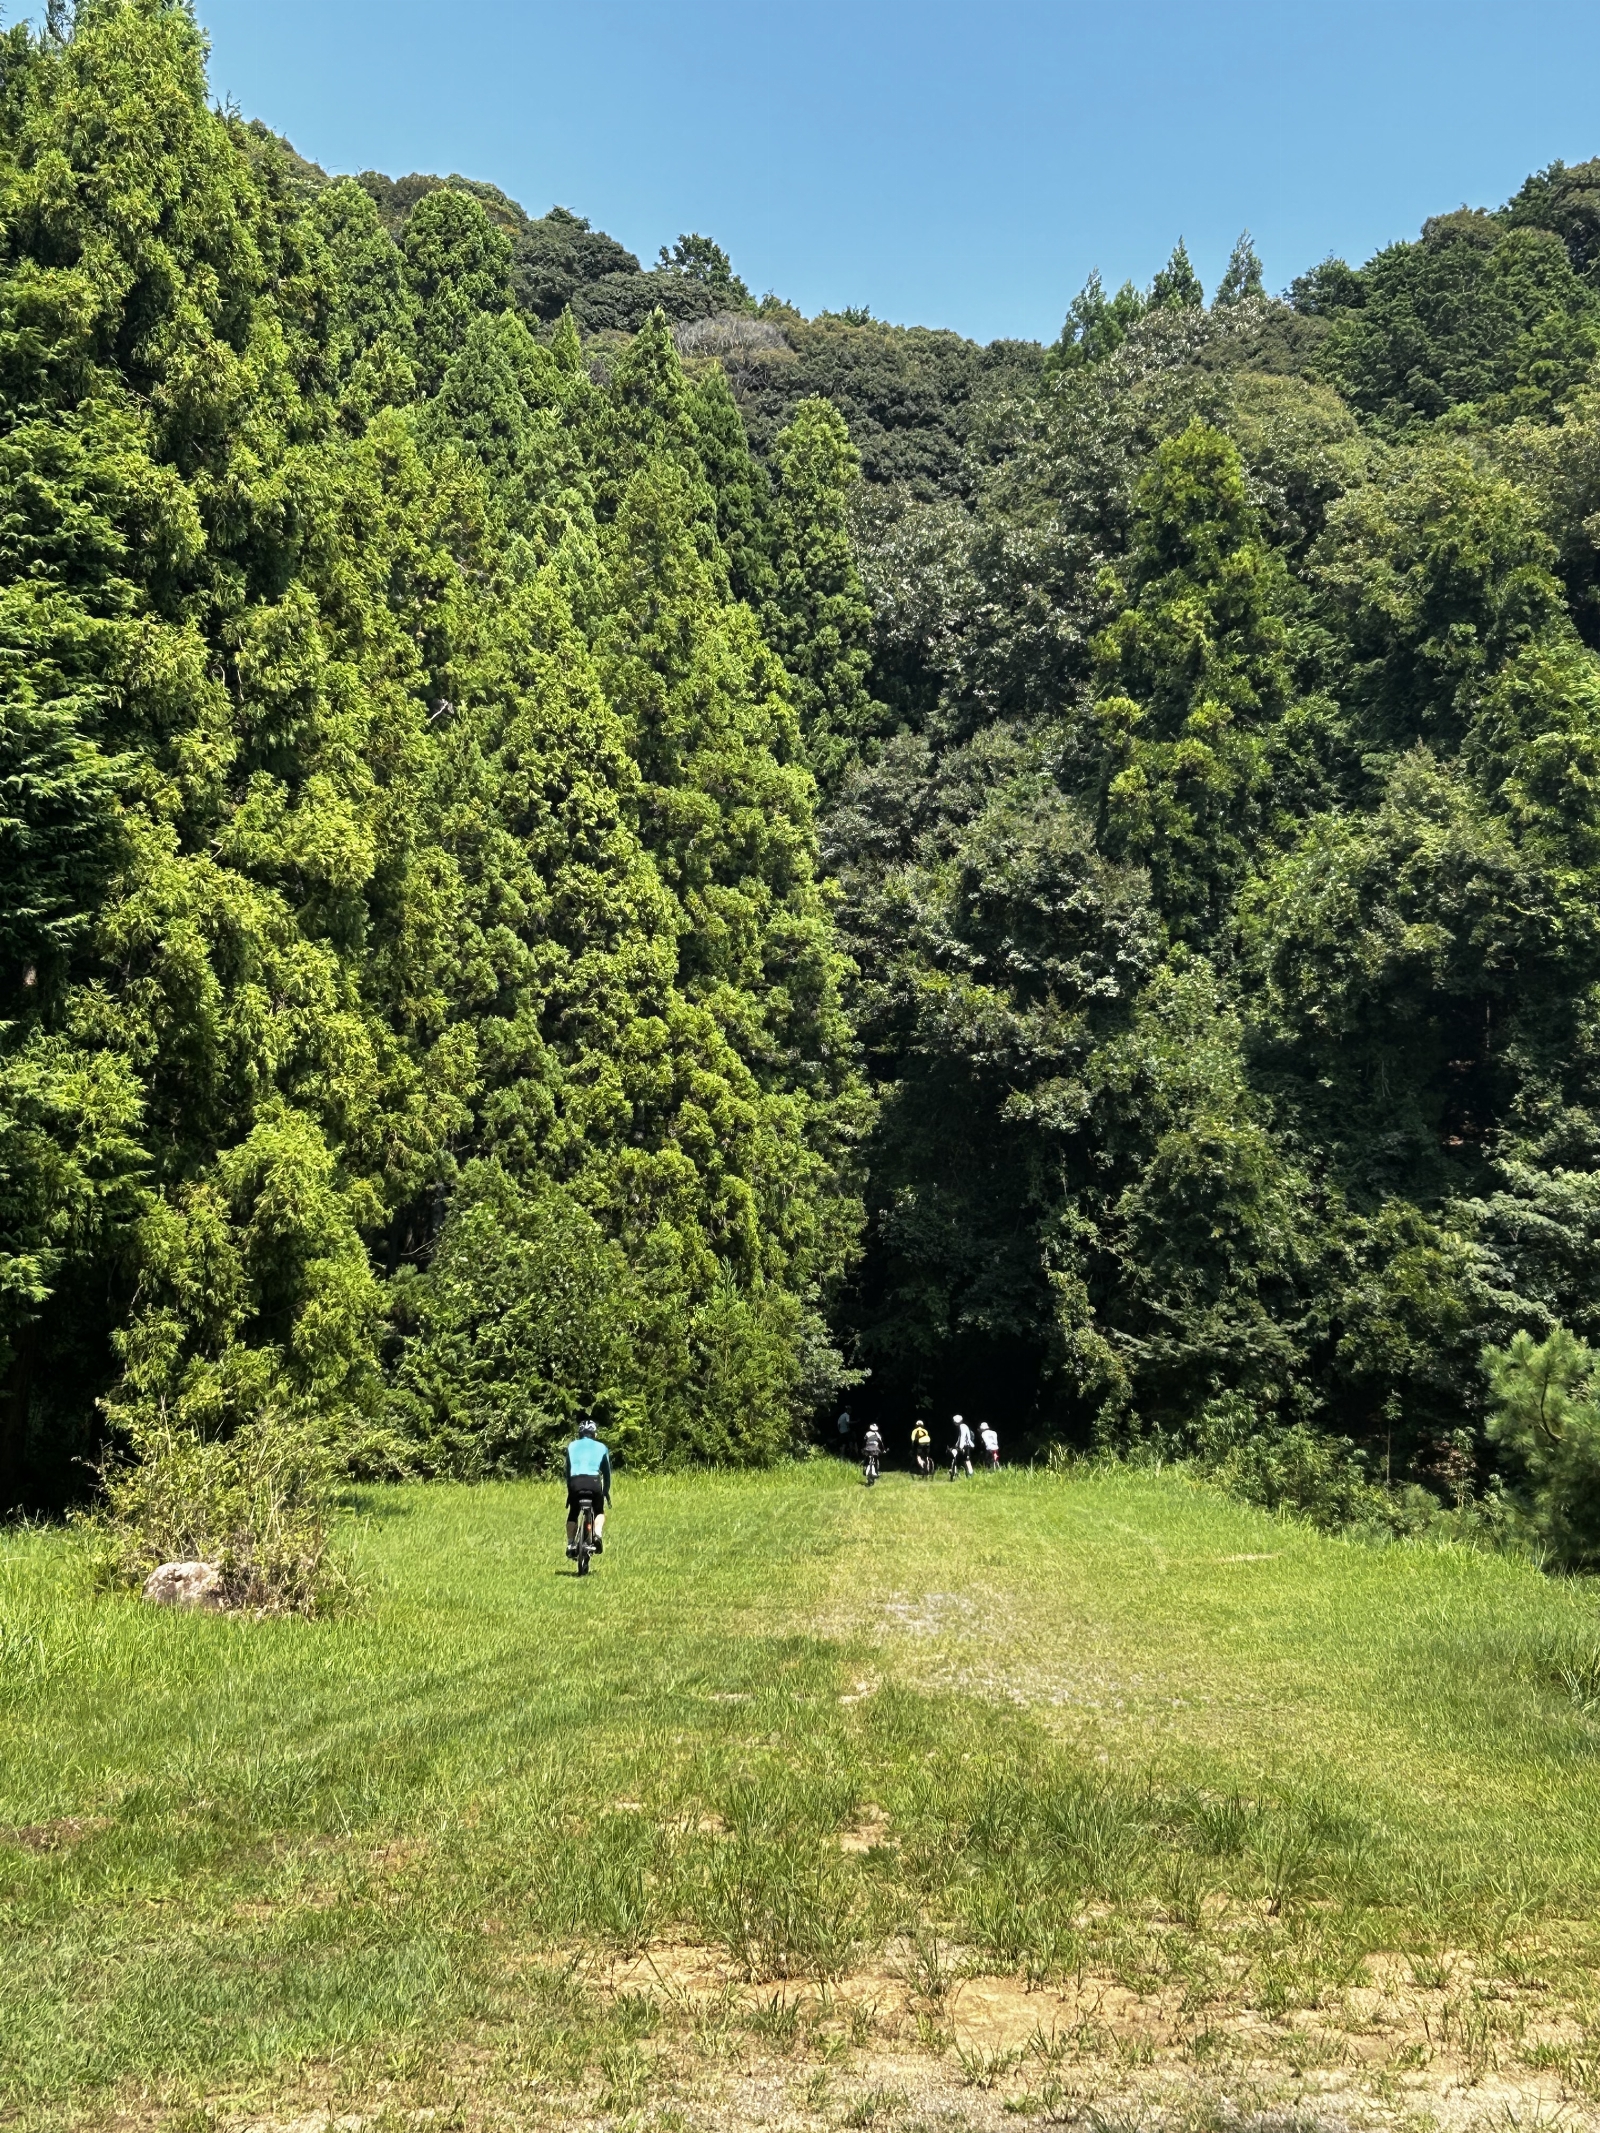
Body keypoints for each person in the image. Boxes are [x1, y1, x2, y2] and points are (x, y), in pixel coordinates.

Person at [564, 1417, 612, 1557]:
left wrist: (570, 1491)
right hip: (593, 1482)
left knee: (573, 1513)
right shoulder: (602, 1447)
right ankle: (597, 1534)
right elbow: (607, 1473)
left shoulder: (571, 1446)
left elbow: (568, 1472)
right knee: (599, 1511)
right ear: (594, 1434)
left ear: (580, 1433)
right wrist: (606, 1490)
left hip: (575, 1482)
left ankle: (570, 1543)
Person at [949, 1413, 974, 1478]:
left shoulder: (962, 1427)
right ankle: (970, 1473)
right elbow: (960, 1438)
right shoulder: (964, 1426)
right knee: (967, 1459)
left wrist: (960, 1447)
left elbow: (962, 1437)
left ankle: (954, 1471)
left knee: (960, 1458)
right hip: (967, 1445)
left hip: (964, 1446)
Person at [862, 1419, 883, 1486]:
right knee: (876, 1459)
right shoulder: (878, 1435)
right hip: (875, 1449)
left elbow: (864, 1441)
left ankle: (864, 1467)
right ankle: (876, 1472)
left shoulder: (867, 1433)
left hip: (867, 1449)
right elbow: (881, 1444)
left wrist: (863, 1448)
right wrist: (883, 1450)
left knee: (866, 1458)